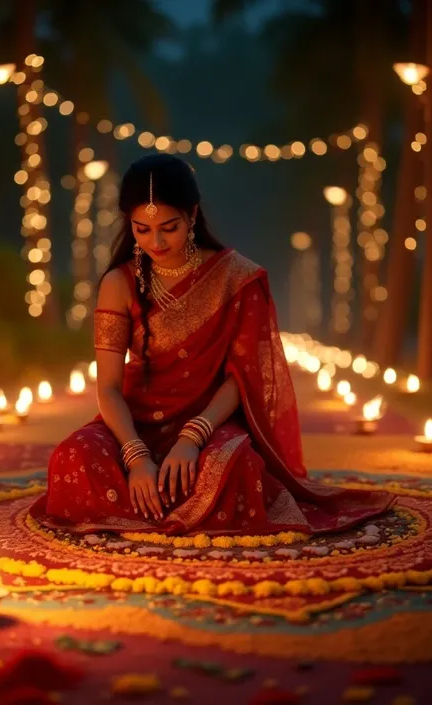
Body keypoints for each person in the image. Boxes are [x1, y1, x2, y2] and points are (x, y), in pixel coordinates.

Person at [30, 154, 394, 536]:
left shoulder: (235, 278)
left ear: (192, 215)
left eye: (168, 228)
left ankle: (153, 505)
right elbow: (108, 387)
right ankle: (167, 500)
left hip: (208, 420)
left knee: (237, 468)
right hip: (135, 423)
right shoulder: (118, 284)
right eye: (142, 229)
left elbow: (242, 377)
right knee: (72, 457)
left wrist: (192, 437)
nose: (155, 241)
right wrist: (135, 456)